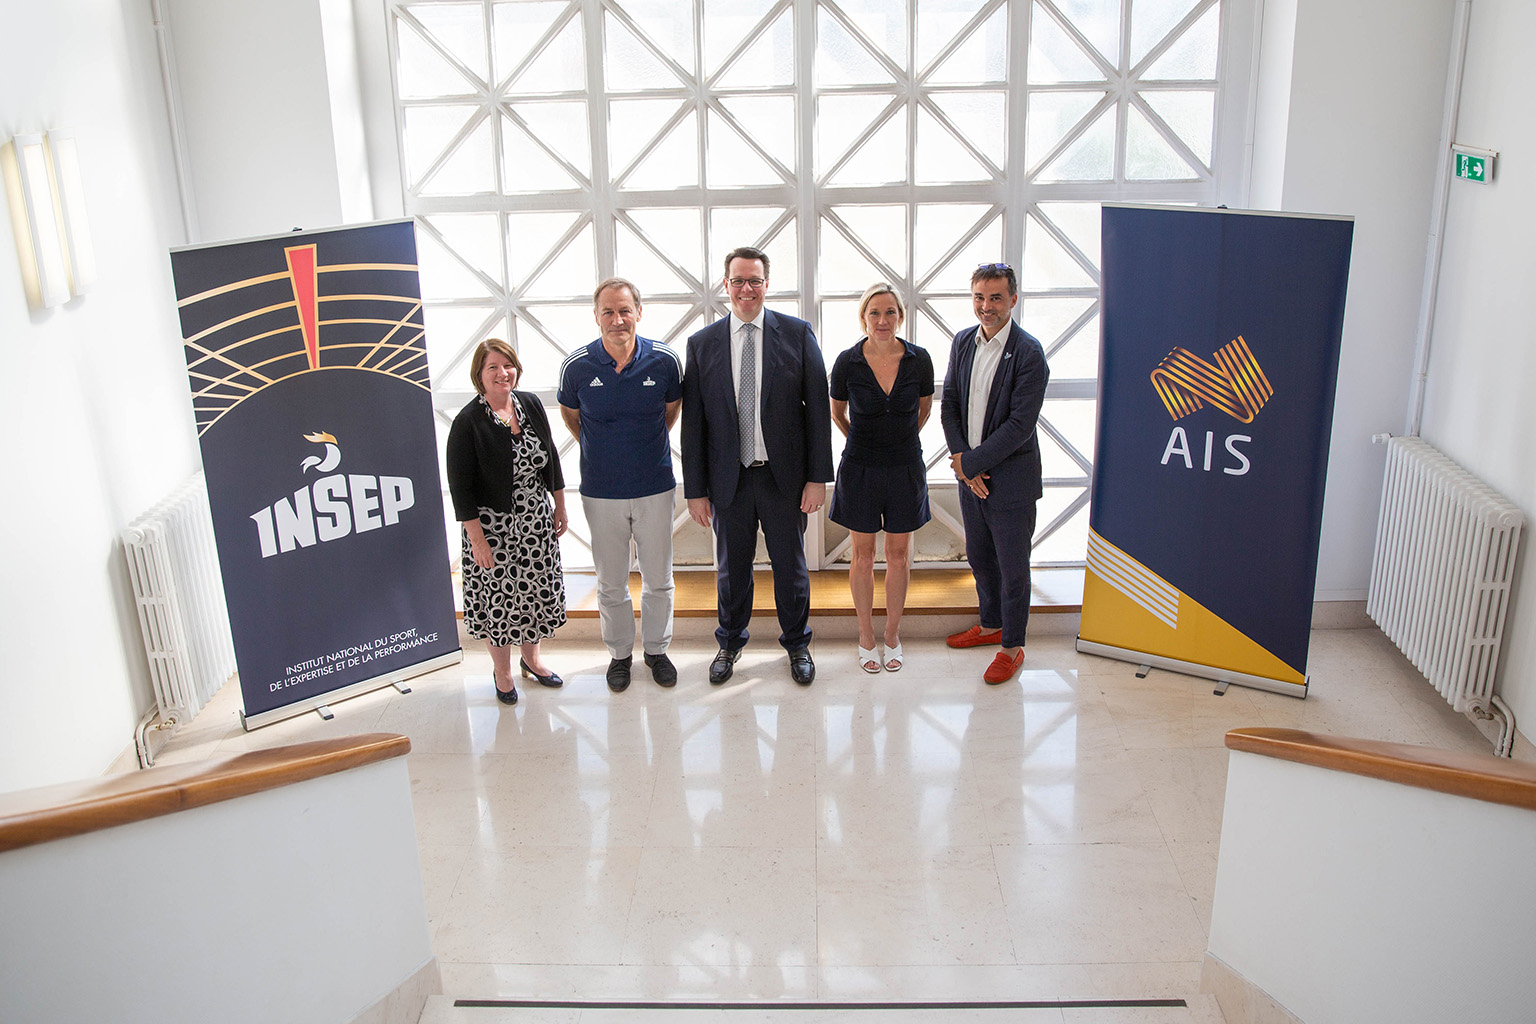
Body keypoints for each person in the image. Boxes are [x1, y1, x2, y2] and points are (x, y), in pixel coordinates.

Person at [682, 245, 834, 686]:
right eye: (738, 281)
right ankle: (729, 643)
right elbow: (694, 424)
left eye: (754, 280)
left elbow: (817, 411)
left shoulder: (797, 333)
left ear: (767, 284)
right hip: (727, 479)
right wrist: (695, 490)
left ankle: (797, 644)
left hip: (783, 478)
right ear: (725, 285)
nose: (745, 289)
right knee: (732, 570)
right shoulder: (702, 344)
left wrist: (817, 478)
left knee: (791, 568)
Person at [558, 278, 683, 693]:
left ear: (638, 313)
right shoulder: (577, 367)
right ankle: (619, 655)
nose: (617, 320)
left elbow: (670, 413)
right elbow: (572, 417)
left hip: (655, 487)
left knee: (659, 578)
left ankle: (657, 651)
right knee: (611, 582)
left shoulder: (664, 361)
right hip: (600, 491)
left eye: (625, 310)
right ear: (596, 316)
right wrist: (604, 449)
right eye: (608, 312)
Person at [939, 263, 1049, 685]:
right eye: (979, 297)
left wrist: (971, 464)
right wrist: (962, 461)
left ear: (1013, 300)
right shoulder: (963, 341)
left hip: (1011, 481)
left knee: (1013, 568)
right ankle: (990, 625)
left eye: (996, 298)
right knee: (981, 558)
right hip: (971, 477)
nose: (986, 306)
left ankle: (1012, 646)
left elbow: (1020, 425)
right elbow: (950, 402)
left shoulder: (1029, 352)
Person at [446, 339, 569, 703]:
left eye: (508, 365)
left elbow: (551, 458)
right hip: (491, 528)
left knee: (534, 593)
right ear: (479, 375)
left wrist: (559, 505)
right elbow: (460, 489)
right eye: (493, 367)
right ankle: (502, 672)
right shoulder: (468, 421)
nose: (502, 373)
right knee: (498, 600)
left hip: (535, 521)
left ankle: (532, 660)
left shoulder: (529, 404)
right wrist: (478, 542)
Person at [828, 283, 934, 673]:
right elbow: (837, 412)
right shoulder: (847, 362)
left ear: (900, 316)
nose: (882, 320)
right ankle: (865, 636)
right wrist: (863, 441)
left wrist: (899, 440)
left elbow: (924, 410)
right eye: (874, 312)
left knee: (898, 555)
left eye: (890, 312)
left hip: (905, 467)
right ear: (863, 317)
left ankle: (892, 635)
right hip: (860, 468)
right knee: (863, 555)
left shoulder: (919, 360)